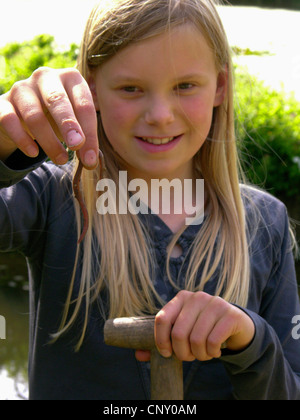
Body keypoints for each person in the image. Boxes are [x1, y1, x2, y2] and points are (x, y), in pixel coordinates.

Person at [0, 0, 299, 400]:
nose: (160, 114)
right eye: (131, 88)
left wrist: (251, 339)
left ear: (221, 86)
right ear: (91, 89)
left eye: (184, 86)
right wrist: (5, 150)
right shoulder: (51, 197)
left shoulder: (267, 221)